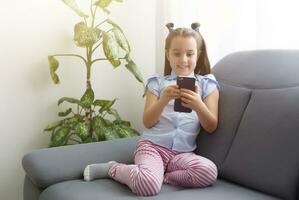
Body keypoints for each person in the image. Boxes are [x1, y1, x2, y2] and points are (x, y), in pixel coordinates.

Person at [83, 22, 219, 196]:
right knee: (147, 185)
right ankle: (113, 168)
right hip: (153, 147)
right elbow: (147, 121)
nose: (183, 60)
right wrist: (163, 100)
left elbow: (211, 126)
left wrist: (198, 105)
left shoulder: (207, 84)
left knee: (209, 172)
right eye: (177, 53)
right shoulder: (157, 83)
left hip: (182, 154)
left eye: (189, 54)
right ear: (168, 55)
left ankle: (160, 176)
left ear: (198, 55)